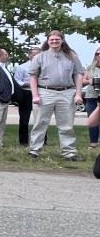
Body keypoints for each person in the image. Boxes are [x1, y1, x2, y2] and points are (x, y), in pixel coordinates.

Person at [27, 30, 84, 161]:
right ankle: (34, 150)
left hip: (66, 92)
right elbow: (33, 77)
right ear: (48, 41)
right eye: (51, 39)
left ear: (62, 40)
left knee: (67, 125)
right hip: (45, 92)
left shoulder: (72, 56)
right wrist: (35, 95)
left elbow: (78, 75)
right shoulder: (39, 57)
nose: (54, 41)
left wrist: (78, 94)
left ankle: (69, 152)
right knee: (40, 123)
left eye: (57, 39)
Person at [13, 48, 39, 145]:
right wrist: (27, 84)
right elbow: (17, 80)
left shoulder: (43, 66)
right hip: (26, 93)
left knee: (40, 118)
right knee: (24, 119)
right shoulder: (22, 67)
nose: (36, 57)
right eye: (34, 54)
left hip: (40, 92)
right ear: (29, 55)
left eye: (39, 55)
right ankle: (23, 141)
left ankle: (42, 140)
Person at [81, 48, 100, 149]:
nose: (99, 56)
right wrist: (89, 81)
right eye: (97, 54)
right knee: (92, 120)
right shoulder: (91, 67)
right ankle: (93, 143)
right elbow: (83, 80)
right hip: (91, 96)